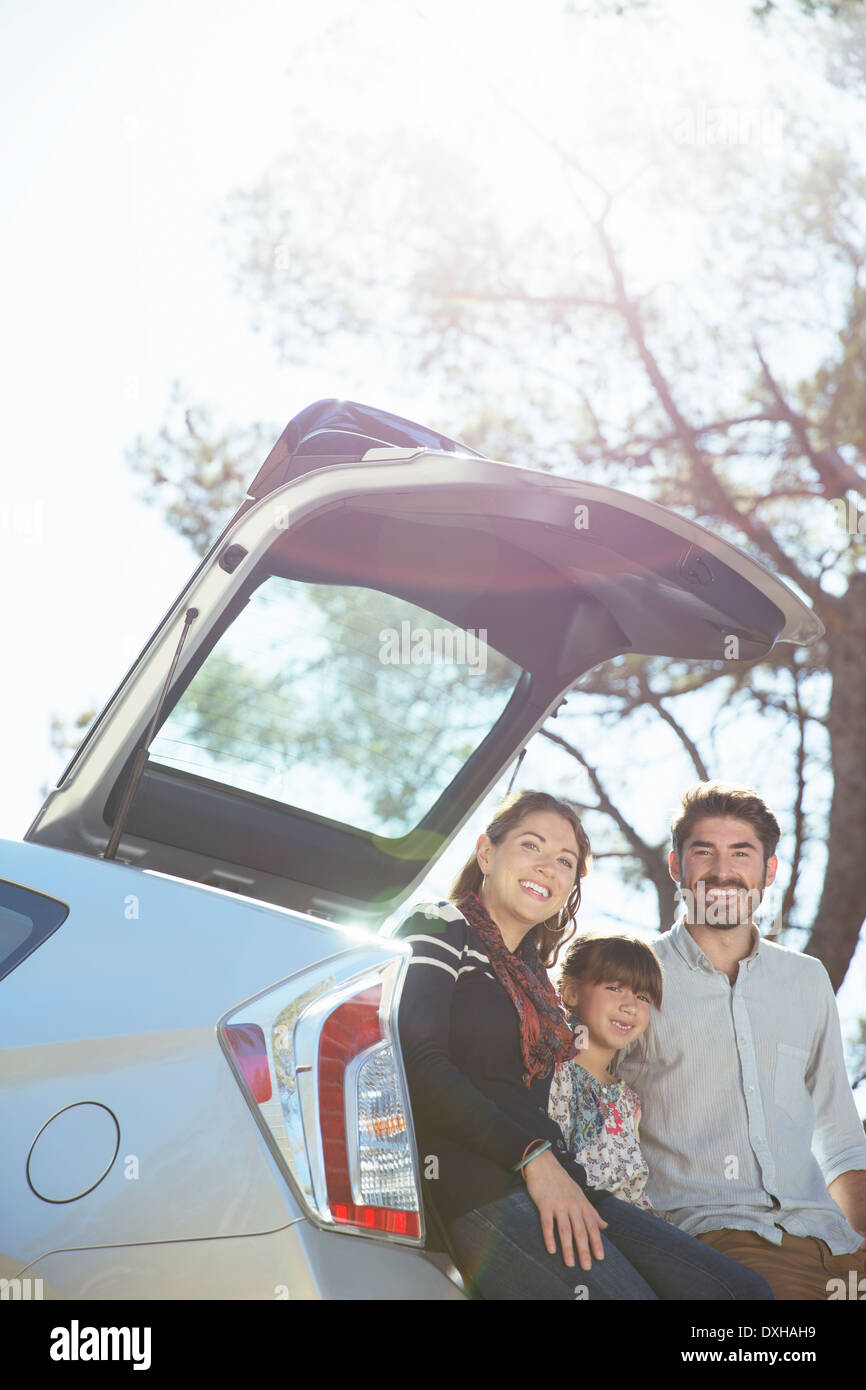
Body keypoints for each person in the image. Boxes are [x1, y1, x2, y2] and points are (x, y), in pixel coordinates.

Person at [393, 789, 772, 1300]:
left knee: (741, 1293)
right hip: (475, 1182)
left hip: (558, 1178)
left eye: (565, 861)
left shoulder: (536, 982)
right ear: (487, 852)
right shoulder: (440, 924)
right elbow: (415, 1063)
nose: (548, 867)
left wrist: (554, 1169)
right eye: (531, 846)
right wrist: (533, 1158)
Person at [616, 780, 866, 1301]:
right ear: (675, 866)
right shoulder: (632, 977)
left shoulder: (806, 979)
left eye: (741, 853)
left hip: (832, 1240)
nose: (722, 871)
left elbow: (838, 1132)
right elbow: (583, 1106)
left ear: (768, 871)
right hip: (716, 1242)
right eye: (703, 852)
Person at [548, 934, 663, 1211]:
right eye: (614, 988)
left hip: (634, 1223)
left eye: (643, 996)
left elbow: (633, 1189)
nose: (631, 1006)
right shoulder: (551, 1077)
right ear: (571, 991)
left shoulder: (629, 1103)